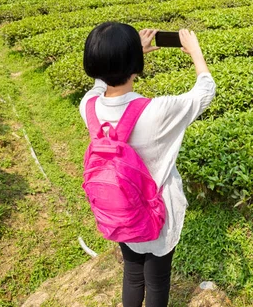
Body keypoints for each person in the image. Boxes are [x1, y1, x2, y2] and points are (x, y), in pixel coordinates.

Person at [79, 22, 215, 307]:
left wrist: (128, 57)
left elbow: (99, 86)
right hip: (157, 213)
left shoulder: (89, 106)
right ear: (136, 66)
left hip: (119, 208)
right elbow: (205, 92)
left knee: (132, 273)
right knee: (157, 280)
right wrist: (196, 53)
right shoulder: (156, 111)